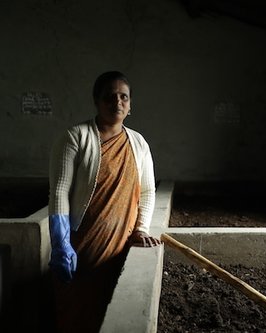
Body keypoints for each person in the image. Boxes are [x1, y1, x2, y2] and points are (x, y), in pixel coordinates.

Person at [48, 71, 161, 333]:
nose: (117, 102)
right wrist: (61, 243)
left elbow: (147, 191)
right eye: (110, 97)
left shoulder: (139, 143)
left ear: (130, 105)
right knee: (75, 312)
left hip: (119, 247)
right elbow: (59, 191)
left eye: (124, 97)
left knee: (110, 313)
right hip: (80, 248)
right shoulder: (75, 137)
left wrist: (141, 228)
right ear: (97, 101)